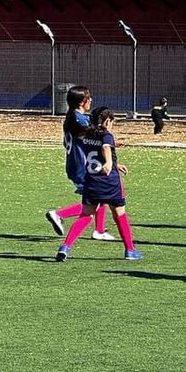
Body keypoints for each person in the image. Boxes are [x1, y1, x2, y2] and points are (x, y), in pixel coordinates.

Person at [55, 107, 142, 261]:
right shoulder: (106, 135)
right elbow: (105, 148)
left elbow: (95, 152)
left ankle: (65, 247)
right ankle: (130, 250)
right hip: (109, 182)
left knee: (86, 215)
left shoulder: (87, 134)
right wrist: (109, 162)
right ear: (107, 121)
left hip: (91, 181)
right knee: (119, 214)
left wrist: (115, 163)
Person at [45, 84, 113, 242]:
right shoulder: (80, 119)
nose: (91, 100)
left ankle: (99, 230)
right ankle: (59, 214)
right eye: (89, 98)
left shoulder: (72, 117)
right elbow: (95, 136)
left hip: (76, 164)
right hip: (82, 166)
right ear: (82, 102)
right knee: (93, 202)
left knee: (101, 196)